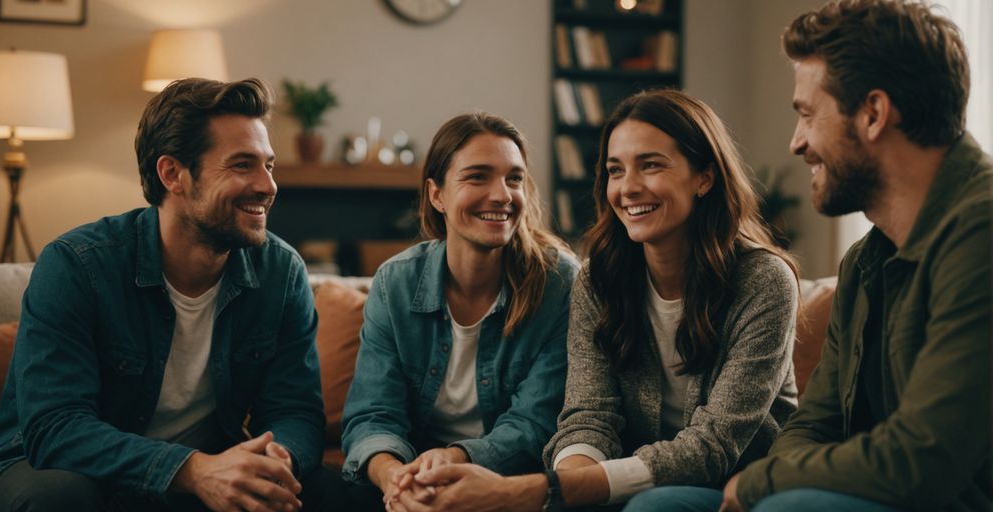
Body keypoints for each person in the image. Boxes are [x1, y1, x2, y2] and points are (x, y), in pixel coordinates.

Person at [387, 89, 801, 512]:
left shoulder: (764, 281)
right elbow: (588, 415)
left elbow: (715, 445)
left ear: (704, 177)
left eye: (651, 165)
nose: (628, 188)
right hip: (625, 481)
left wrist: (536, 491)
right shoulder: (598, 281)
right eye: (615, 171)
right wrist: (568, 485)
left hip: (737, 483)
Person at [0, 78, 326, 512]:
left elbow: (296, 411)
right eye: (242, 165)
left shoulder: (281, 273)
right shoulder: (76, 265)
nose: (268, 185)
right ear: (172, 174)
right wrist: (193, 470)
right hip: (55, 469)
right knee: (58, 499)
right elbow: (55, 427)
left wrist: (272, 463)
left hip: (204, 472)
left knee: (329, 489)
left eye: (268, 165)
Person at [719, 1, 991, 511]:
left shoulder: (981, 234)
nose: (796, 142)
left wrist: (762, 484)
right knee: (666, 501)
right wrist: (775, 479)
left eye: (806, 114)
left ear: (873, 114)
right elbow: (815, 422)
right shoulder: (865, 260)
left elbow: (922, 458)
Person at [330, 112, 578, 511]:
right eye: (477, 176)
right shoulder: (395, 284)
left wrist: (454, 459)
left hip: (506, 483)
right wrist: (395, 478)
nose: (501, 195)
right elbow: (373, 415)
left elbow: (536, 423)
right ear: (436, 194)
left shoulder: (559, 284)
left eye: (513, 178)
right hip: (414, 475)